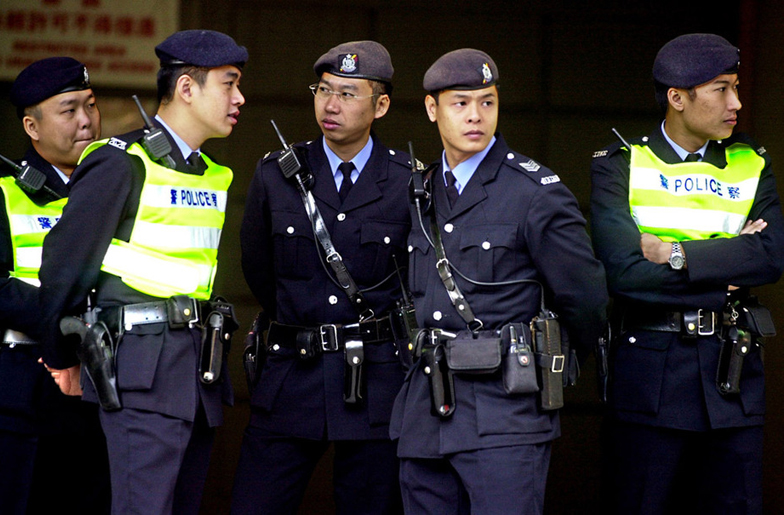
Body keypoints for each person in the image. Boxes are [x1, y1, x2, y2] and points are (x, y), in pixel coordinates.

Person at [389, 49, 608, 514]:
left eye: (487, 102)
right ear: (433, 109)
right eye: (460, 103)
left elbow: (585, 297)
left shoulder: (534, 192)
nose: (475, 116)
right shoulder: (421, 191)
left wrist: (553, 360)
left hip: (505, 416)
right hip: (426, 415)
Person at [38, 30, 247, 515]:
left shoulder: (210, 173)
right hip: (141, 374)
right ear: (187, 89)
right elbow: (64, 264)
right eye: (229, 83)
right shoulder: (120, 162)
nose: (239, 98)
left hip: (198, 374)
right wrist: (62, 356)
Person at [590, 33, 784, 514]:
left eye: (735, 86)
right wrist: (728, 267)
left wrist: (676, 254)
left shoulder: (751, 162)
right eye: (721, 89)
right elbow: (625, 272)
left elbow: (771, 256)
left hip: (732, 378)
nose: (735, 102)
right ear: (677, 97)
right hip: (650, 376)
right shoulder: (621, 165)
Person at [231, 40, 412, 515]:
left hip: (376, 381)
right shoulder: (277, 173)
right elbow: (258, 270)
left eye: (349, 93)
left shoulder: (408, 181)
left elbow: (414, 280)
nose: (331, 105)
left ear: (382, 104)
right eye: (324, 89)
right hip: (293, 373)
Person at [0, 57, 110, 514]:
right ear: (31, 127)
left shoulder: (117, 187)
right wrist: (69, 318)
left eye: (91, 106)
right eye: (69, 109)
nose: (85, 121)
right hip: (27, 392)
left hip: (104, 392)